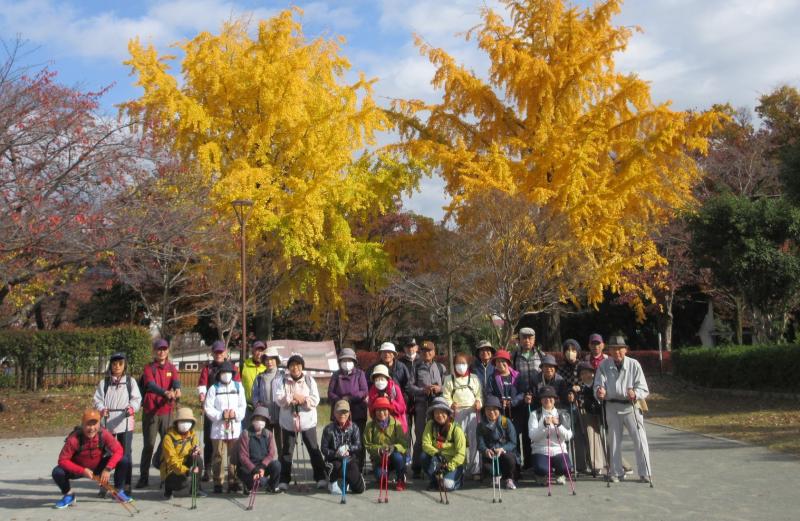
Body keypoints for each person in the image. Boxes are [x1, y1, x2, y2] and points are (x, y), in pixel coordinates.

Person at [594, 335, 652, 483]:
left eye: (620, 349)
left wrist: (636, 393)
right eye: (613, 349)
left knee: (640, 439)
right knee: (613, 440)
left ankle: (645, 473)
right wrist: (599, 392)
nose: (617, 352)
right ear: (610, 351)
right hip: (612, 406)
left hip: (631, 406)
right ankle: (615, 471)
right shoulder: (603, 365)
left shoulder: (634, 364)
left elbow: (644, 389)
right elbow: (597, 385)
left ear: (625, 350)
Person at [52, 409, 132, 508]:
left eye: (95, 424)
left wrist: (108, 468)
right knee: (57, 472)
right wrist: (82, 470)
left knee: (124, 459)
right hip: (79, 469)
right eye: (88, 425)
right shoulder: (74, 439)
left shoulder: (103, 433)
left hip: (99, 467)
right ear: (82, 425)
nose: (92, 428)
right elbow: (62, 460)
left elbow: (118, 450)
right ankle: (69, 495)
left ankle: (118, 491)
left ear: (99, 424)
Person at [273, 354, 327, 490]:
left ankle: (320, 477)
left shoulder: (309, 380)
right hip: (288, 423)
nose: (295, 368)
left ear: (302, 366)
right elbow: (278, 399)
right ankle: (284, 479)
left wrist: (303, 399)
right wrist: (290, 398)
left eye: (298, 365)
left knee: (314, 449)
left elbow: (315, 399)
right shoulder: (282, 380)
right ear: (288, 368)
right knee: (287, 451)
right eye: (292, 365)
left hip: (307, 422)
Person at [93, 352, 141, 495]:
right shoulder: (104, 383)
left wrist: (131, 408)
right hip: (108, 425)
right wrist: (102, 409)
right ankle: (104, 483)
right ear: (110, 366)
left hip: (125, 423)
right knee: (106, 454)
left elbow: (137, 399)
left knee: (125, 455)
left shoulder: (130, 382)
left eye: (120, 363)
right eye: (114, 364)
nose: (117, 366)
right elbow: (97, 400)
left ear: (124, 365)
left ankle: (125, 484)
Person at [136, 338, 181, 489]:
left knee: (168, 444)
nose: (161, 352)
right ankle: (143, 477)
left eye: (164, 349)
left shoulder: (171, 367)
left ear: (168, 350)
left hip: (167, 411)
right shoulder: (149, 368)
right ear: (154, 351)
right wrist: (165, 393)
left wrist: (176, 388)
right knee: (148, 444)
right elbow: (150, 385)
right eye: (159, 349)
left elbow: (175, 381)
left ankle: (166, 476)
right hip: (151, 411)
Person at [197, 340, 241, 482]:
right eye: (216, 352)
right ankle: (209, 470)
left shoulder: (234, 369)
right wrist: (202, 396)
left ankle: (232, 475)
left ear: (225, 352)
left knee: (232, 443)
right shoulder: (207, 368)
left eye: (221, 352)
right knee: (210, 441)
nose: (218, 354)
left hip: (230, 411)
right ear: (212, 353)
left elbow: (238, 387)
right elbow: (202, 385)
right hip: (213, 407)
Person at [204, 361, 247, 493]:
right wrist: (221, 415)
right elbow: (208, 407)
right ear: (219, 374)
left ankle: (233, 481)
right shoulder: (213, 389)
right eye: (223, 372)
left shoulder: (239, 387)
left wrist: (235, 414)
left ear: (233, 374)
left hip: (234, 427)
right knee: (218, 455)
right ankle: (218, 482)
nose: (226, 375)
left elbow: (242, 405)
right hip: (219, 429)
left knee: (233, 455)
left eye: (229, 372)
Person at [409, 340, 447, 479]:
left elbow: (446, 386)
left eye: (430, 351)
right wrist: (422, 390)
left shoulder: (441, 367)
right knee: (420, 436)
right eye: (424, 351)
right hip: (421, 405)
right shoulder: (416, 367)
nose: (427, 353)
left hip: (437, 406)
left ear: (434, 352)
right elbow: (409, 387)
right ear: (421, 353)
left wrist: (439, 388)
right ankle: (417, 467)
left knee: (437, 436)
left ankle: (435, 465)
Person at [442, 352, 482, 480]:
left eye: (463, 363)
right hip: (456, 414)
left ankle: (475, 469)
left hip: (472, 413)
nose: (460, 366)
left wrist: (478, 402)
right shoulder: (449, 379)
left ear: (468, 364)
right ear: (454, 365)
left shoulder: (474, 378)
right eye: (458, 363)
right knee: (459, 442)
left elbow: (479, 395)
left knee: (474, 440)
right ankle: (460, 469)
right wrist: (450, 404)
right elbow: (446, 396)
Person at [327, 348, 368, 470]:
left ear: (354, 361)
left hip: (358, 411)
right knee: (340, 440)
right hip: (340, 411)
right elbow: (330, 393)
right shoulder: (336, 375)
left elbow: (364, 391)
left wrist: (351, 398)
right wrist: (341, 399)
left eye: (349, 360)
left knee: (357, 440)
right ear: (340, 362)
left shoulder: (360, 374)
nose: (346, 362)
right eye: (344, 360)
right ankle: (340, 467)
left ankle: (358, 467)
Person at [528, 386, 573, 485]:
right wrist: (544, 426)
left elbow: (568, 436)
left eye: (550, 397)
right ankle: (540, 475)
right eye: (544, 397)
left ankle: (559, 474)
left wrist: (559, 425)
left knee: (567, 467)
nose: (548, 399)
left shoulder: (563, 414)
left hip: (558, 449)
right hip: (541, 449)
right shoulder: (535, 414)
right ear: (541, 400)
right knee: (542, 469)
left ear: (555, 399)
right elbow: (533, 436)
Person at [511, 327, 543, 469]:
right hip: (520, 399)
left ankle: (533, 463)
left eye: (530, 338)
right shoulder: (514, 356)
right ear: (520, 339)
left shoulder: (540, 355)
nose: (527, 340)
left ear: (534, 339)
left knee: (534, 431)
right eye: (524, 337)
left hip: (536, 400)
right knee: (521, 431)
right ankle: (520, 463)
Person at [420, 397, 466, 491]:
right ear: (433, 414)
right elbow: (425, 444)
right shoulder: (430, 424)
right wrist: (437, 453)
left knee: (447, 485)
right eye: (436, 412)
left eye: (442, 412)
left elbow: (461, 454)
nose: (439, 415)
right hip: (437, 459)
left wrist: (448, 466)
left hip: (453, 463)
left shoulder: (456, 429)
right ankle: (434, 481)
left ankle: (459, 479)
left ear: (448, 413)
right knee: (424, 456)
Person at [320, 400, 365, 495]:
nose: (342, 414)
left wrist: (349, 448)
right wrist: (336, 453)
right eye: (339, 412)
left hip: (349, 460)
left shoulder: (354, 427)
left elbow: (358, 446)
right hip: (333, 460)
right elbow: (324, 449)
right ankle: (332, 482)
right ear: (334, 413)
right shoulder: (328, 429)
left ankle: (348, 480)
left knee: (359, 489)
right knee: (336, 466)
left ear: (349, 413)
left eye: (345, 412)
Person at [364, 396, 408, 491]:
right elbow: (367, 445)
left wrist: (393, 447)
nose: (381, 413)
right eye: (378, 410)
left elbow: (404, 444)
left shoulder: (397, 424)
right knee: (381, 478)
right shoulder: (370, 426)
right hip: (380, 460)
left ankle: (400, 478)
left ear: (388, 411)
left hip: (394, 456)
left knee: (398, 457)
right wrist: (379, 450)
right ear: (374, 412)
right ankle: (384, 476)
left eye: (384, 410)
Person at [160, 407, 205, 499]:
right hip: (171, 470)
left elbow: (196, 447)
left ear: (192, 423)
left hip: (186, 464)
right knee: (184, 482)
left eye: (188, 421)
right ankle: (168, 489)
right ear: (176, 423)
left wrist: (196, 451)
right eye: (182, 421)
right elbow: (172, 461)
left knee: (198, 460)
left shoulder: (192, 435)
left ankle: (195, 490)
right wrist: (187, 471)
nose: (185, 424)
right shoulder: (168, 438)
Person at [477, 395, 519, 490]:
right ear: (485, 411)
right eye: (488, 409)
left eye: (494, 409)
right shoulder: (480, 426)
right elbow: (480, 444)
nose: (491, 412)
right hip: (490, 455)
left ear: (499, 409)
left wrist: (503, 449)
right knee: (487, 468)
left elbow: (513, 442)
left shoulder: (506, 422)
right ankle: (496, 476)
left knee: (510, 459)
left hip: (504, 453)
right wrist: (486, 450)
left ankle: (509, 479)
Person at [236, 406, 281, 494]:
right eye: (257, 418)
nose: (260, 421)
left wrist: (263, 466)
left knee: (277, 464)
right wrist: (254, 469)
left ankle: (273, 486)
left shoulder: (269, 434)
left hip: (263, 465)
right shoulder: (245, 434)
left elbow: (271, 453)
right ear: (253, 420)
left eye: (262, 419)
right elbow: (243, 456)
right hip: (248, 468)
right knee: (261, 481)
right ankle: (248, 485)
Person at [251, 345, 284, 453]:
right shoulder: (260, 377)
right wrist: (258, 405)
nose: (269, 362)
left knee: (282, 444)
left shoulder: (282, 376)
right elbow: (254, 395)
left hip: (280, 414)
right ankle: (268, 467)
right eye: (267, 360)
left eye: (272, 359)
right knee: (266, 443)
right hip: (265, 416)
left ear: (276, 360)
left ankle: (282, 467)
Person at [574, 361, 605, 475]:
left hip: (601, 413)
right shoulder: (580, 387)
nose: (585, 375)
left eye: (588, 372)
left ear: (593, 373)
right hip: (587, 414)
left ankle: (622, 465)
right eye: (582, 374)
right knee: (591, 437)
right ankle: (595, 465)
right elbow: (579, 402)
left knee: (606, 440)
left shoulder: (598, 383)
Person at [367, 364, 408, 432]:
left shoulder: (395, 389)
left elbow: (402, 408)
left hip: (396, 425)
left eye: (382, 378)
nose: (380, 381)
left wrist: (390, 400)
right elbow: (371, 411)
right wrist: (378, 400)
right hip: (380, 426)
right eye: (377, 379)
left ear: (387, 379)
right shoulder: (372, 390)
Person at [240, 340, 268, 424]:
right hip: (247, 408)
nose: (259, 353)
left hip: (263, 408)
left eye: (261, 350)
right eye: (257, 350)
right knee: (247, 434)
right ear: (253, 351)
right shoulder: (244, 365)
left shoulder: (267, 366)